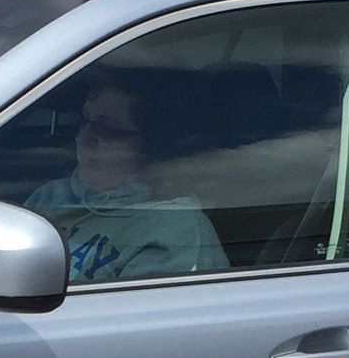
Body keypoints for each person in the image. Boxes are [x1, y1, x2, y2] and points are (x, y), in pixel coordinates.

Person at [25, 83, 226, 283]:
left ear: (151, 144)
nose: (84, 137)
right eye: (83, 121)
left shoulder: (172, 227)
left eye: (106, 130)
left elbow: (137, 312)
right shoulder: (53, 195)